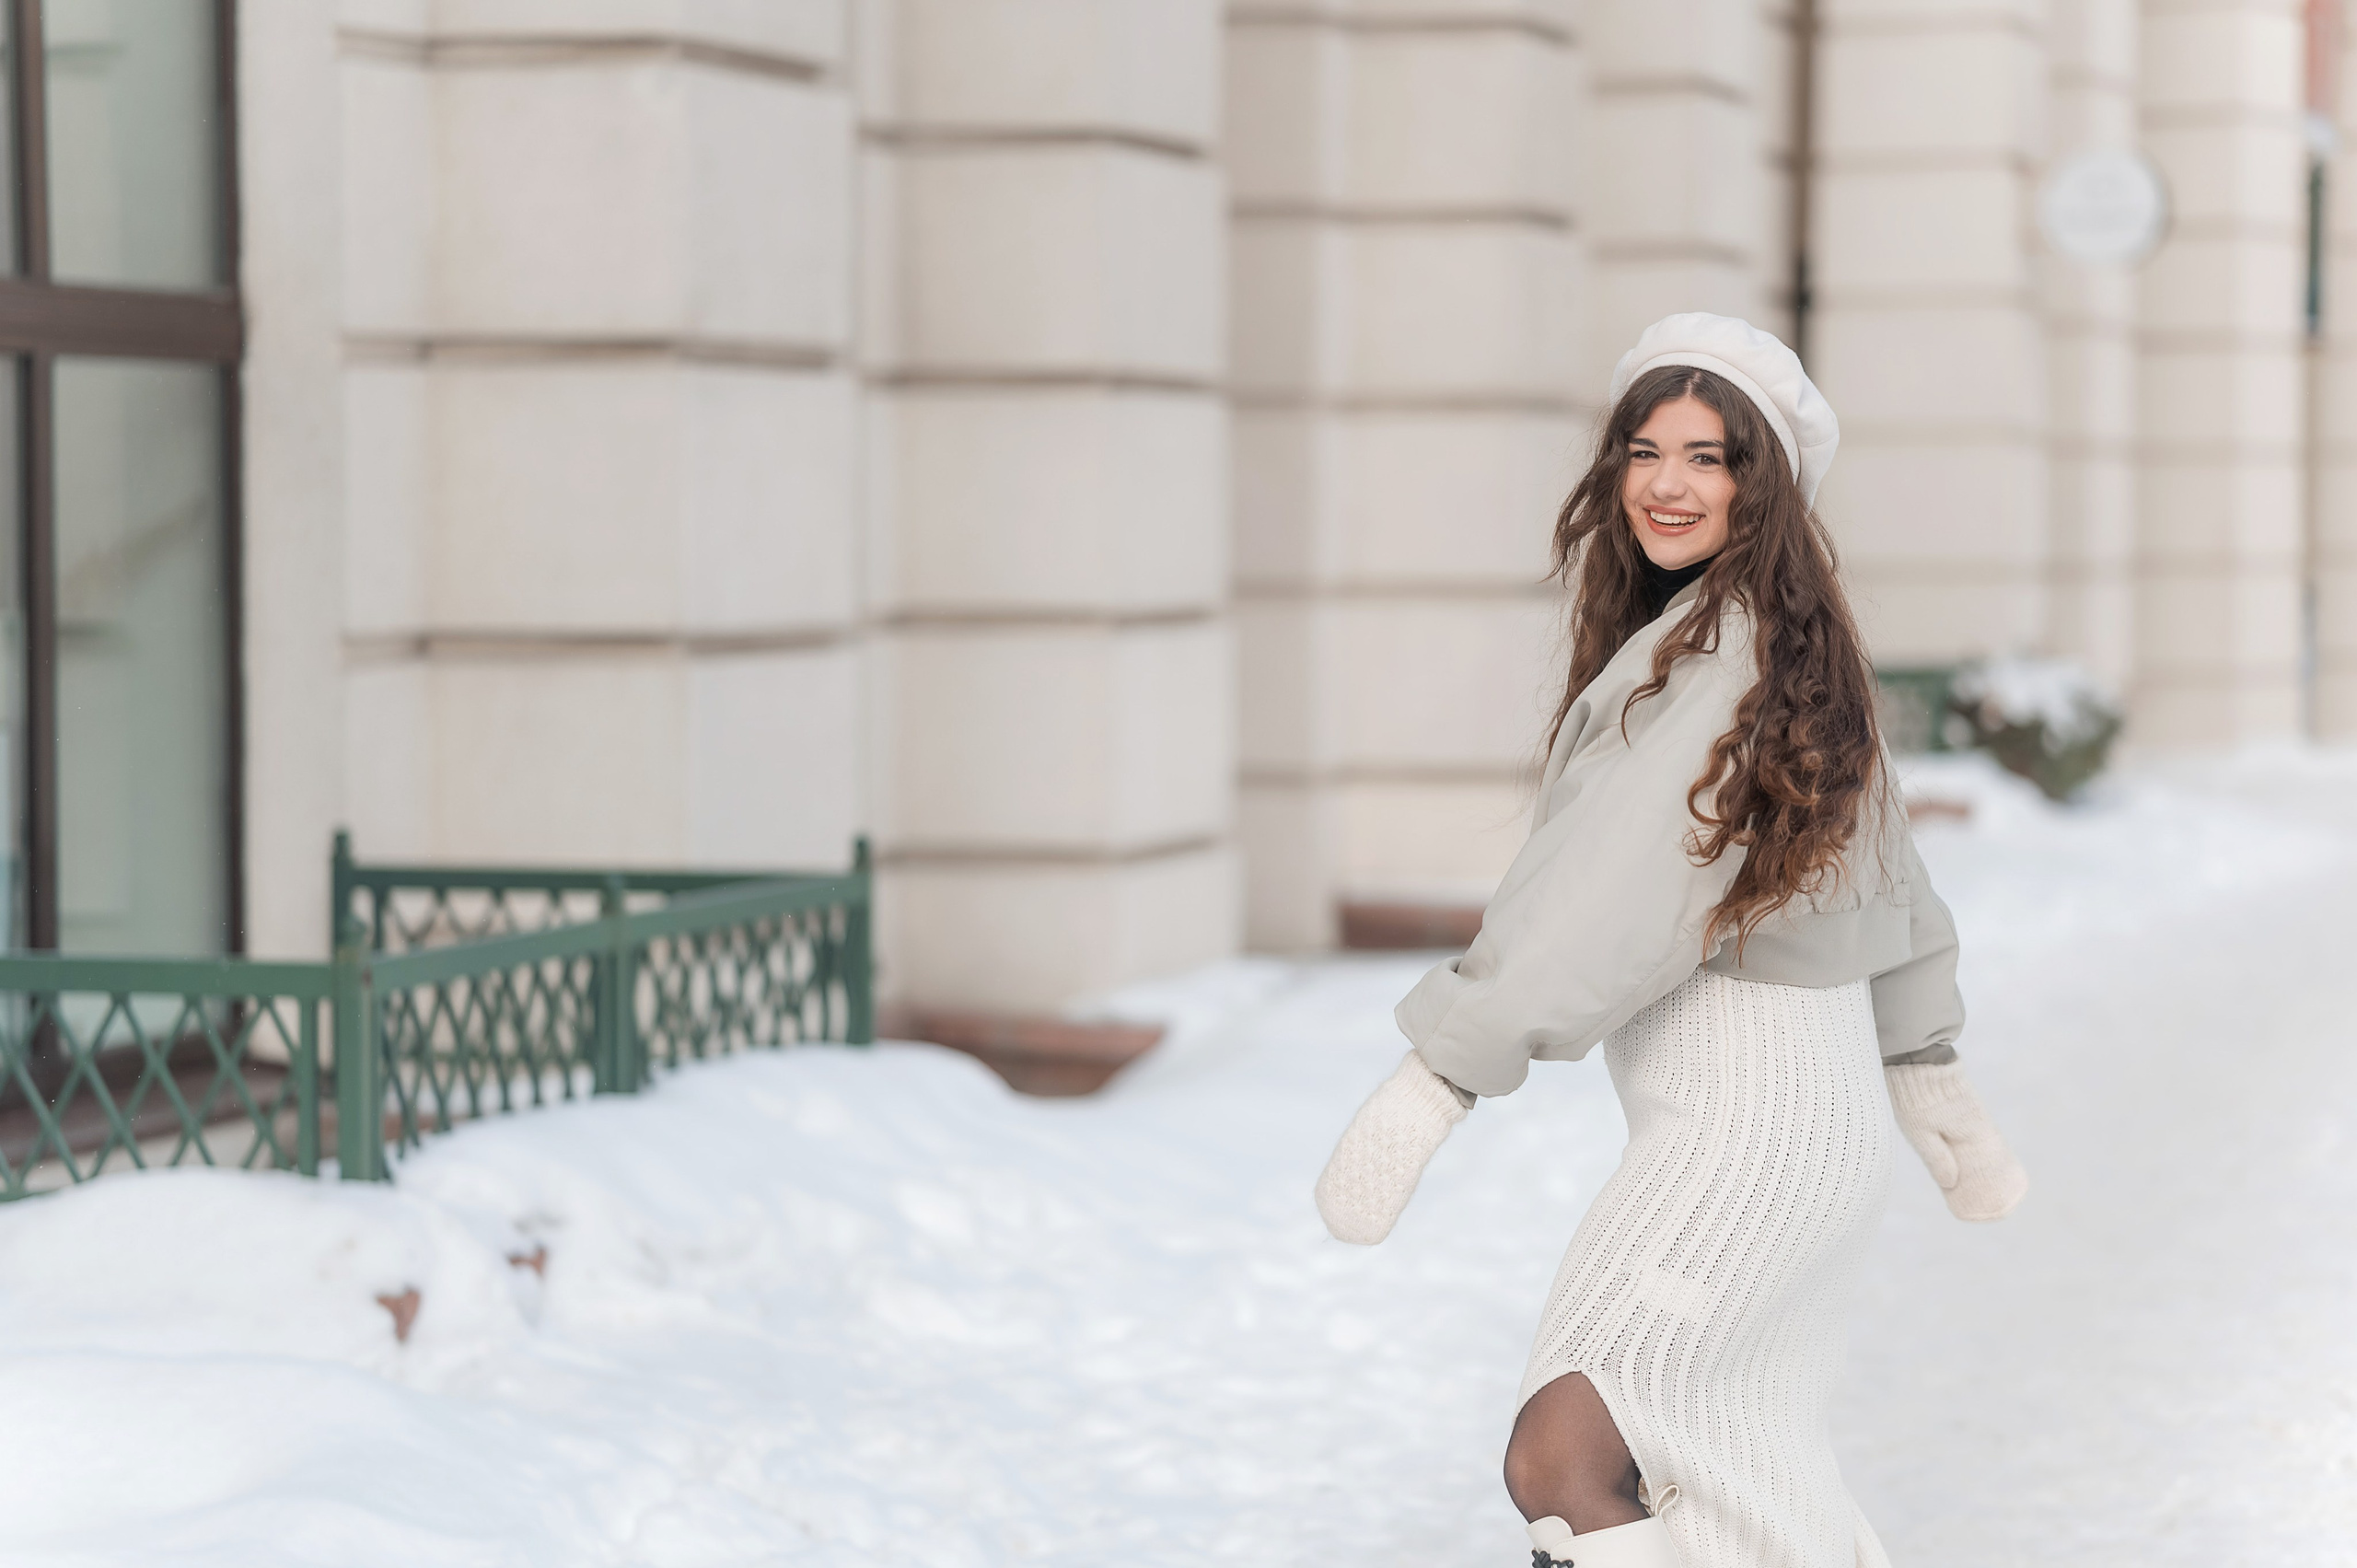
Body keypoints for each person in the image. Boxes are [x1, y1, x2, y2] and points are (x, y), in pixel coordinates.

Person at [1311, 314, 2028, 1568]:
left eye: (1710, 457)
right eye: (1646, 450)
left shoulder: (1724, 660)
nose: (1666, 483)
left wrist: (1436, 1078)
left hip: (1744, 1144)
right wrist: (1928, 1076)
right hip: (1791, 1135)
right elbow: (1896, 884)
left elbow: (1607, 903)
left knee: (1566, 1454)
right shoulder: (1789, 652)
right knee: (1747, 1488)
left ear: (1765, 486)